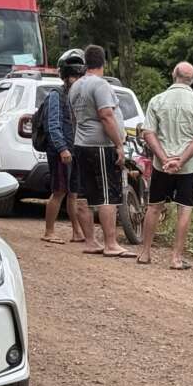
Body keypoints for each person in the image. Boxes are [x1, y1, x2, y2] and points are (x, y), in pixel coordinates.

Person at [137, 62, 193, 270]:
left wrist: (163, 158)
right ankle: (176, 258)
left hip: (162, 165)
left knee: (154, 207)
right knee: (185, 209)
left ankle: (145, 253)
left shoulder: (157, 100)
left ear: (173, 75)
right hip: (189, 167)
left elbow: (148, 132)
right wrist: (181, 160)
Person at [68, 45, 135, 258]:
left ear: (86, 62)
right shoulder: (100, 85)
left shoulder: (76, 86)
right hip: (100, 146)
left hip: (81, 144)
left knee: (84, 195)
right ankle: (111, 243)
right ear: (103, 62)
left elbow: (74, 117)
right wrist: (118, 144)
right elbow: (106, 115)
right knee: (108, 195)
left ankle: (90, 241)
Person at [41, 48, 88, 245]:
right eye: (73, 76)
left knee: (73, 193)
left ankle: (77, 231)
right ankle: (49, 231)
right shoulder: (56, 95)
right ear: (65, 76)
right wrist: (62, 148)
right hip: (60, 151)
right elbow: (53, 124)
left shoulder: (79, 95)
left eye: (79, 75)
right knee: (59, 191)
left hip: (76, 148)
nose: (76, 79)